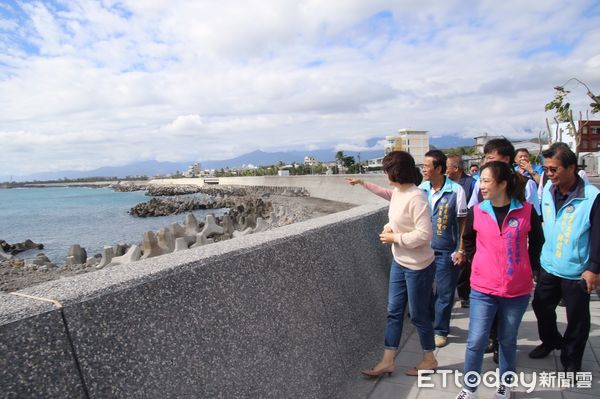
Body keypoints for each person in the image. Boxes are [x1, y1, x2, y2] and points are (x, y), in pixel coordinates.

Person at [454, 161, 544, 399]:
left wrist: (532, 268)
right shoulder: (478, 211)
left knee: (507, 340)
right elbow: (469, 240)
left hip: (517, 290)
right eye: (480, 180)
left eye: (486, 181)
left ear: (503, 184)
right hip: (483, 289)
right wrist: (479, 264)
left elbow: (537, 242)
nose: (481, 186)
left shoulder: (525, 211)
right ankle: (469, 387)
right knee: (475, 340)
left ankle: (505, 385)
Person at [346, 151, 438, 377]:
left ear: (396, 171)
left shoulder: (417, 197)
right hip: (400, 262)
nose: (385, 173)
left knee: (418, 315)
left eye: (387, 169)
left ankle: (429, 358)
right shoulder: (398, 192)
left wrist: (394, 238)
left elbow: (425, 235)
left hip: (419, 266)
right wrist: (390, 227)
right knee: (394, 312)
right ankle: (388, 361)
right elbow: (393, 208)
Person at [529, 142, 600, 372]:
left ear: (571, 168)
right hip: (549, 264)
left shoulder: (591, 197)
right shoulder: (548, 190)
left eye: (553, 169)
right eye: (546, 169)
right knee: (541, 306)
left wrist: (594, 268)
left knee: (577, 321)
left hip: (577, 270)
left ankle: (571, 361)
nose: (548, 175)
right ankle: (550, 341)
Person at [420, 150, 467, 348]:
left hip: (446, 250)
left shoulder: (456, 190)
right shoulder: (420, 189)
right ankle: (431, 320)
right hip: (423, 250)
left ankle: (441, 330)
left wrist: (461, 249)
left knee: (445, 293)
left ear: (438, 169)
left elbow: (463, 221)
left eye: (426, 166)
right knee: (424, 290)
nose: (423, 169)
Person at [468, 138, 541, 216]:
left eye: (490, 158)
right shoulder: (480, 182)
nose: (486, 162)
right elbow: (472, 210)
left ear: (506, 159)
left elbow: (534, 215)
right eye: (486, 158)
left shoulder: (526, 184)